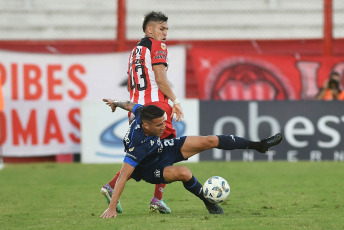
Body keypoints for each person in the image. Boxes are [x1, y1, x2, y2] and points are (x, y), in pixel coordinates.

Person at [100, 99, 283, 218]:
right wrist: (112, 207)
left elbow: (130, 105)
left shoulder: (143, 113)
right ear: (146, 126)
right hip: (149, 168)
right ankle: (208, 203)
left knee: (209, 140)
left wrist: (116, 103)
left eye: (164, 121)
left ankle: (259, 146)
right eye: (159, 125)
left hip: (161, 150)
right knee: (185, 173)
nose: (164, 127)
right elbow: (124, 175)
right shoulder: (137, 146)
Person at [100, 11, 184, 214]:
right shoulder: (158, 47)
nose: (165, 33)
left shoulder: (135, 50)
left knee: (143, 155)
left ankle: (111, 186)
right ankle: (157, 198)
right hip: (156, 107)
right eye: (161, 28)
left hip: (137, 109)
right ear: (149, 29)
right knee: (169, 149)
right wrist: (175, 101)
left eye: (166, 29)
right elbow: (161, 79)